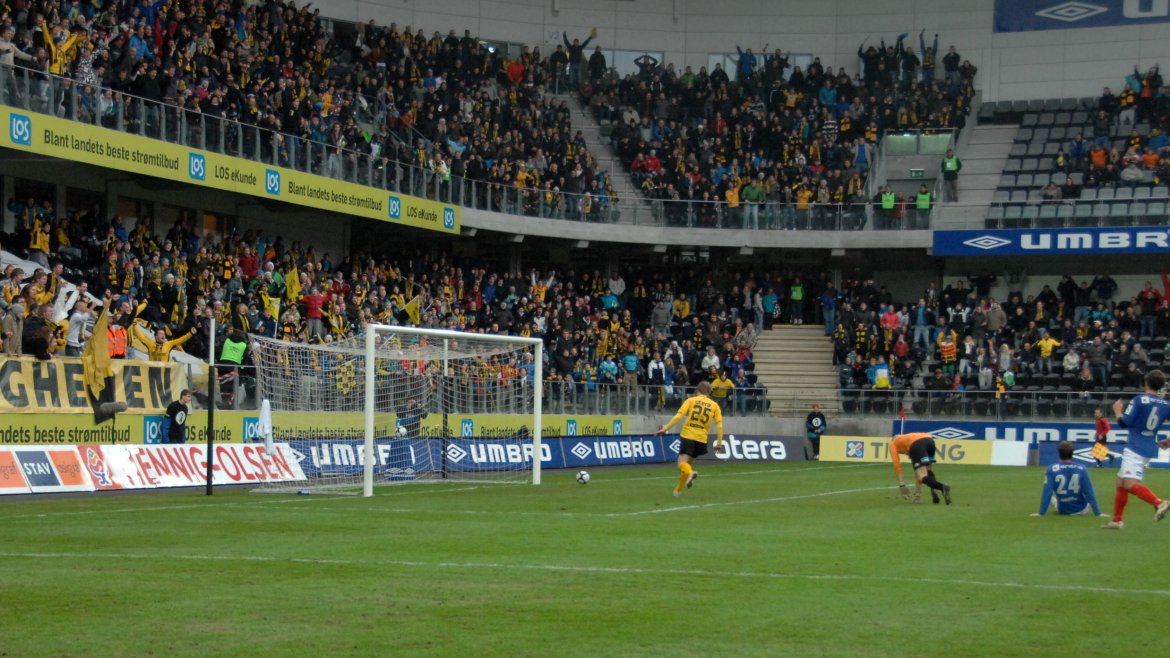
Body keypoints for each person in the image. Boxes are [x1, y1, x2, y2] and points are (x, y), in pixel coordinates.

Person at [1103, 369, 1170, 529]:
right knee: (1121, 482)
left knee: (1129, 483)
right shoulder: (1166, 405)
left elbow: (1124, 423)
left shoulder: (1139, 400)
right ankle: (1117, 520)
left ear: (1146, 382)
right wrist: (1168, 441)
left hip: (1135, 447)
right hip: (1149, 446)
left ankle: (1159, 502)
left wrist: (1117, 411)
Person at [655, 380, 725, 497]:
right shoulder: (715, 406)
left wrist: (666, 428)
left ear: (698, 390)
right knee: (688, 465)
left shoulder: (691, 400)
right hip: (701, 439)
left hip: (688, 435)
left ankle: (690, 474)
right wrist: (719, 442)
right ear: (709, 392)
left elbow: (679, 416)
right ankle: (677, 491)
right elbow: (720, 425)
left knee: (681, 464)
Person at [1032, 441, 1104, 517]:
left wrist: (1041, 513)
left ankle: (1055, 502)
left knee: (1051, 497)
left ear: (1059, 453)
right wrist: (1098, 513)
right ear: (1072, 453)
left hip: (1062, 510)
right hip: (1082, 510)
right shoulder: (1082, 468)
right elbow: (1089, 492)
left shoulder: (1051, 469)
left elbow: (1047, 492)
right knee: (1084, 492)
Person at [890, 432, 952, 504]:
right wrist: (918, 494)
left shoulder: (893, 444)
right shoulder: (907, 438)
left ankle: (942, 487)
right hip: (930, 441)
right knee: (928, 470)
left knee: (921, 476)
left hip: (917, 444)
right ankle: (933, 489)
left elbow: (896, 465)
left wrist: (902, 484)